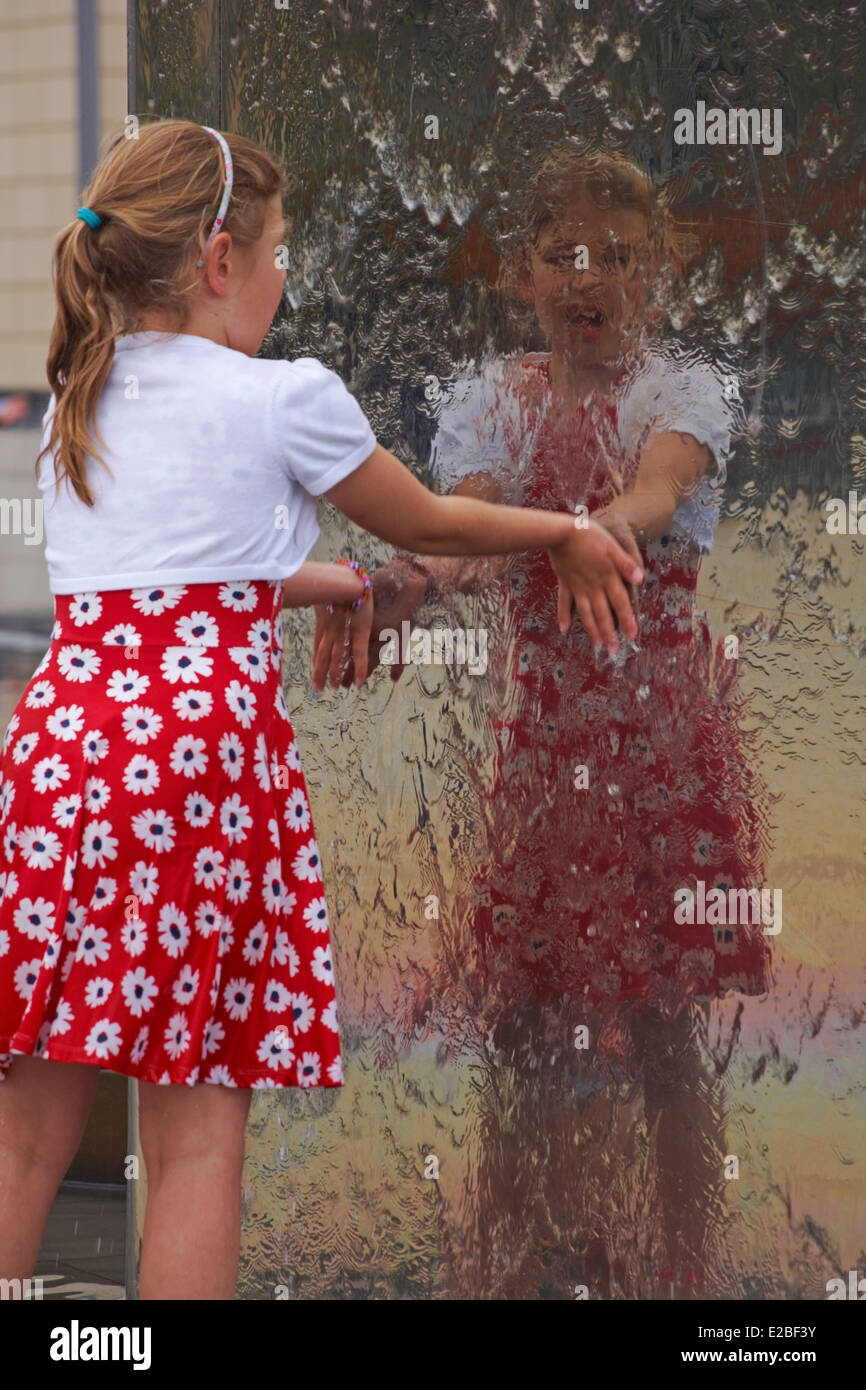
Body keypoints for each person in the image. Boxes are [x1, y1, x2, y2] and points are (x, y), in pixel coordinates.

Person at [0, 120, 643, 1301]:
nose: (286, 278)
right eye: (279, 250)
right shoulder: (283, 396)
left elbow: (170, 576)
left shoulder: (75, 403)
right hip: (194, 769)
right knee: (192, 1136)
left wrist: (332, 586)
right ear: (215, 259)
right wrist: (562, 528)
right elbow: (429, 523)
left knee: (29, 1116)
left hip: (65, 759)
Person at [315, 144, 774, 1297]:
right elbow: (457, 526)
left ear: (656, 276)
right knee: (519, 1024)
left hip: (663, 756)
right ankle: (508, 1264)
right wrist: (400, 587)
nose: (589, 276)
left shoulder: (683, 396)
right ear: (522, 274)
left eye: (618, 258)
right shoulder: (492, 404)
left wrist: (591, 528)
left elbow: (656, 492)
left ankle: (681, 1275)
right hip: (540, 756)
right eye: (563, 254)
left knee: (664, 1029)